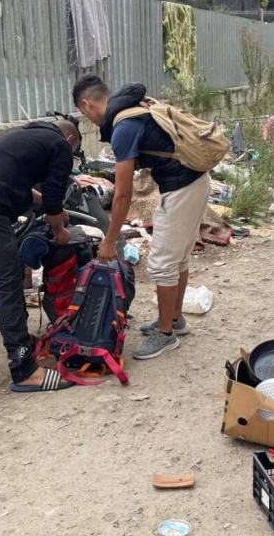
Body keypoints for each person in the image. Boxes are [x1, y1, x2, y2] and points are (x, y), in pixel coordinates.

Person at [72, 76, 210, 360]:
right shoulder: (135, 109)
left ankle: (165, 334)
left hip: (183, 188)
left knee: (162, 264)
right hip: (196, 182)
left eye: (84, 113)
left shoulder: (123, 127)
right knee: (178, 258)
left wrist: (110, 241)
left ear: (86, 105)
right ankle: (174, 319)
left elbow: (123, 195)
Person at [0, 119, 79, 391]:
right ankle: (23, 370)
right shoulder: (60, 146)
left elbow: (18, 185)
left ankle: (22, 344)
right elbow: (54, 198)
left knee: (6, 279)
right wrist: (60, 230)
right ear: (70, 140)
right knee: (9, 281)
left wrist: (53, 209)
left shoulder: (24, 136)